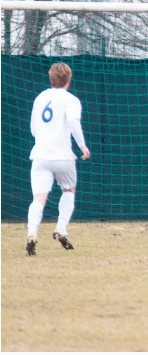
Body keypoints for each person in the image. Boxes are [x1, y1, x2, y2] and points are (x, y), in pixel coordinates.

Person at [26, 63, 90, 256]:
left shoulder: (40, 98)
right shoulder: (71, 100)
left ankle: (31, 235)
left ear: (50, 79)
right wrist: (83, 146)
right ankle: (61, 229)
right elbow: (72, 122)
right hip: (63, 156)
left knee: (39, 198)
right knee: (68, 190)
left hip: (40, 155)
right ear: (68, 80)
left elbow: (33, 129)